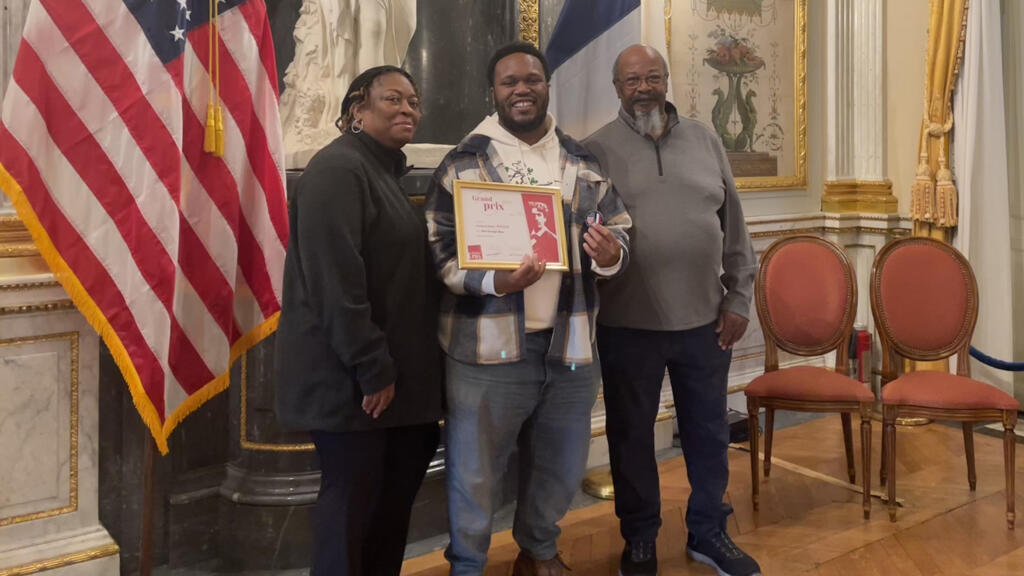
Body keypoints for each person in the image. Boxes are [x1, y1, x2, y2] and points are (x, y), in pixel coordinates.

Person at [425, 42, 632, 576]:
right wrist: (496, 279)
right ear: (493, 93)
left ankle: (538, 552)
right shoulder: (463, 162)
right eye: (509, 82)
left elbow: (621, 232)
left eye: (532, 80)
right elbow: (440, 255)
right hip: (487, 348)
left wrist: (613, 255)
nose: (522, 89)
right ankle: (467, 565)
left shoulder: (582, 160)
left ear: (546, 85)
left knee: (561, 465)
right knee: (474, 471)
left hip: (572, 343)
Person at [584, 45, 761, 576]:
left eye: (653, 77)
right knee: (632, 437)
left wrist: (738, 298)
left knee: (708, 433)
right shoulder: (593, 151)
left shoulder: (706, 140)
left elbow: (735, 228)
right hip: (627, 327)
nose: (644, 87)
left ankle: (709, 533)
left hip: (706, 325)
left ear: (667, 80)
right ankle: (639, 538)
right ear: (617, 88)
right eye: (632, 79)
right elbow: (583, 239)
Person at [274, 65, 442, 576]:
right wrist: (372, 366)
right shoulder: (338, 170)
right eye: (392, 99)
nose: (407, 109)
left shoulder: (381, 172)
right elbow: (334, 279)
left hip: (397, 391)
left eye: (413, 101)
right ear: (356, 110)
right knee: (351, 513)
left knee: (385, 515)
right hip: (356, 387)